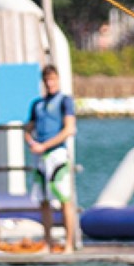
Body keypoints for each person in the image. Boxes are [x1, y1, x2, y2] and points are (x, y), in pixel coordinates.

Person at [26, 65, 76, 251]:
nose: (50, 83)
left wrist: (45, 145)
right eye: (47, 80)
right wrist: (31, 142)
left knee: (64, 197)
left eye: (53, 79)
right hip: (41, 156)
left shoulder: (65, 101)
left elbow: (69, 129)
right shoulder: (37, 104)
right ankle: (47, 242)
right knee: (43, 199)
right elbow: (28, 129)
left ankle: (69, 243)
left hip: (57, 154)